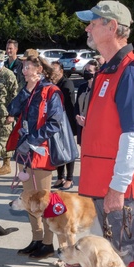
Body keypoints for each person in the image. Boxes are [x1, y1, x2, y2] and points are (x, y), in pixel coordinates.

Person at [76, 0, 134, 267]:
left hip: (120, 188)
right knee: (113, 256)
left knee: (125, 258)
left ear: (112, 27)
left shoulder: (129, 72)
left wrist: (118, 187)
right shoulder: (109, 69)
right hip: (107, 183)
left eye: (93, 22)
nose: (87, 27)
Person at [8, 54, 68, 259]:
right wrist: (25, 91)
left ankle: (48, 243)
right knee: (28, 199)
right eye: (23, 67)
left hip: (41, 152)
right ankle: (36, 238)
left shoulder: (51, 91)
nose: (24, 70)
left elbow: (54, 123)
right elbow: (12, 109)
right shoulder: (28, 91)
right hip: (26, 152)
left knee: (44, 200)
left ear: (39, 70)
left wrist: (31, 139)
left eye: (28, 67)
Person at [49, 61, 78, 190]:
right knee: (58, 149)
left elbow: (71, 106)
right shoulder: (52, 84)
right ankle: (60, 177)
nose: (52, 73)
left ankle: (70, 179)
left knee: (68, 150)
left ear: (61, 71)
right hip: (56, 121)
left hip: (67, 122)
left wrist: (72, 126)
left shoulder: (67, 84)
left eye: (54, 70)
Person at [73, 60, 97, 144]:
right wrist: (77, 116)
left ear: (96, 72)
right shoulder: (82, 87)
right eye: (85, 69)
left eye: (89, 70)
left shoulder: (98, 88)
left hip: (93, 126)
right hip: (81, 124)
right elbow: (76, 105)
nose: (86, 72)